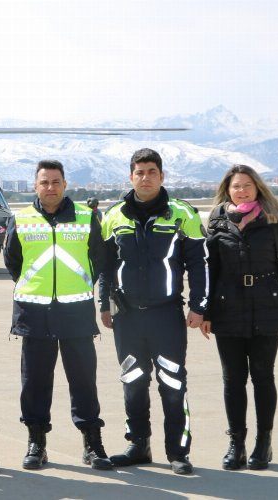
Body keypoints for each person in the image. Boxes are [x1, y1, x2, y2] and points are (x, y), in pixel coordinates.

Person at [99, 148, 208, 475]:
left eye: (151, 172)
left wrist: (199, 306)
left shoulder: (182, 213)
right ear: (130, 176)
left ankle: (178, 451)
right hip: (127, 316)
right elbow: (105, 265)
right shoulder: (113, 215)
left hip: (166, 314)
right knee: (132, 379)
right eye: (139, 172)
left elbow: (199, 264)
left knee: (173, 382)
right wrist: (103, 304)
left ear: (161, 176)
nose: (145, 177)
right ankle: (138, 445)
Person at [4, 160, 111, 471]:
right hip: (34, 314)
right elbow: (13, 262)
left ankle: (92, 443)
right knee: (34, 382)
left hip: (75, 312)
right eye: (44, 182)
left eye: (55, 182)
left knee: (83, 381)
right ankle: (36, 442)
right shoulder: (20, 219)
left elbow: (99, 259)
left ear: (65, 185)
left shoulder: (86, 217)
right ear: (35, 186)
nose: (50, 187)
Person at [200, 164, 278, 470]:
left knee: (262, 376)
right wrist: (205, 310)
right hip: (227, 308)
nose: (242, 190)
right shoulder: (218, 220)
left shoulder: (276, 219)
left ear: (258, 187)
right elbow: (210, 269)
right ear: (227, 189)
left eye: (247, 185)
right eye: (236, 186)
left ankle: (263, 442)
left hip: (269, 307)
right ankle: (237, 444)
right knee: (232, 380)